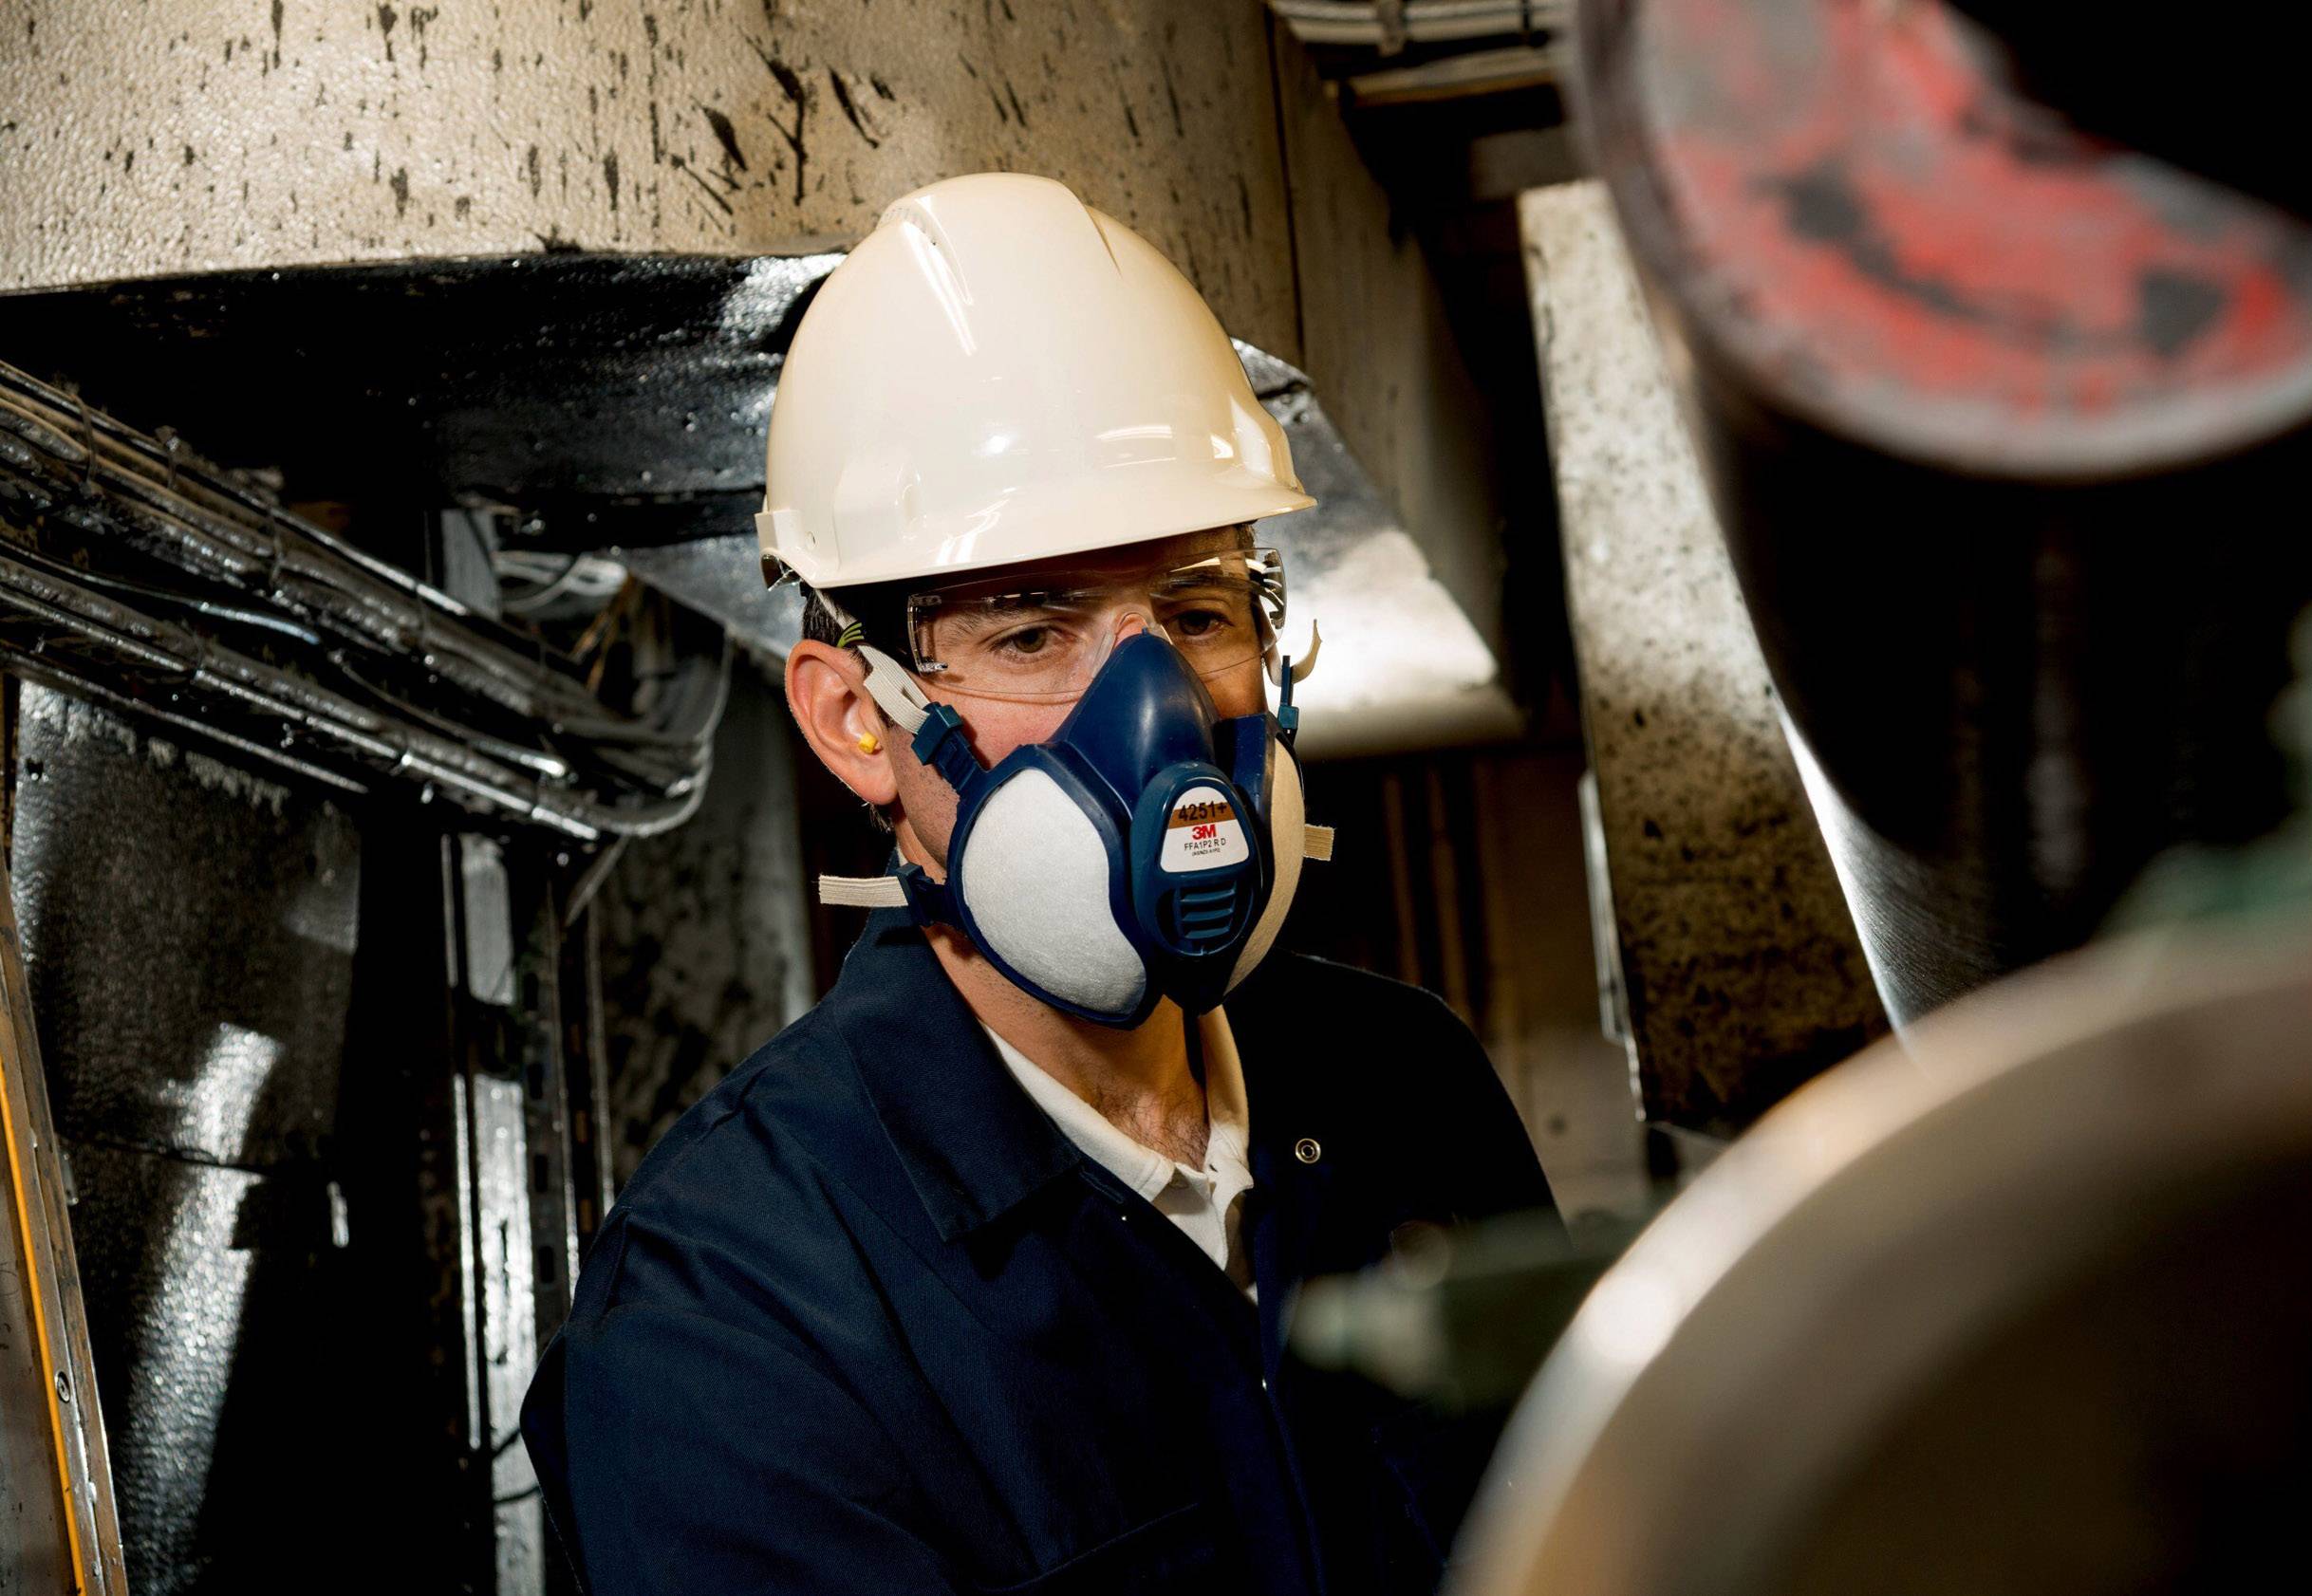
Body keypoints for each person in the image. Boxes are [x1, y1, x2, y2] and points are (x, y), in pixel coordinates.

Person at [521, 172, 1559, 1595]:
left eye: (1196, 613)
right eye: (1029, 635)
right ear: (853, 719)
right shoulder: (738, 1313)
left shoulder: (1412, 1091)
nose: (1157, 718)